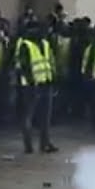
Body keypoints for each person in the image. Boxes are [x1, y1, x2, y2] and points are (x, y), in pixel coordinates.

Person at [16, 20, 57, 154]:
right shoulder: (25, 45)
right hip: (30, 86)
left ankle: (45, 143)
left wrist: (53, 79)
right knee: (28, 115)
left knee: (46, 116)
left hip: (45, 83)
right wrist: (32, 82)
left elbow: (50, 62)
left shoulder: (45, 44)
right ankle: (28, 145)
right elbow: (23, 66)